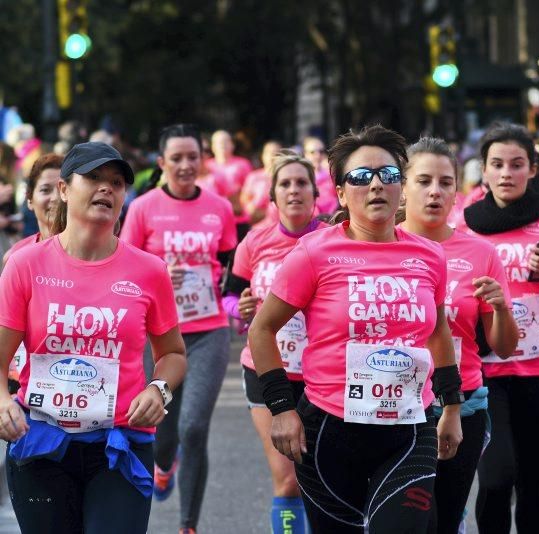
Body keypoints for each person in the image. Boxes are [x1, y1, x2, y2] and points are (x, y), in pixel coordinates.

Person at [248, 124, 463, 533]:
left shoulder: (430, 256)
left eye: (389, 175)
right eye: (361, 177)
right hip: (331, 430)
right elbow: (262, 329)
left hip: (410, 427)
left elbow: (438, 332)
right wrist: (281, 409)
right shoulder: (314, 253)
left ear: (401, 189)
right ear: (343, 194)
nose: (377, 185)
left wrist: (451, 405)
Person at [0, 142, 187, 533]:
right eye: (94, 178)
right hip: (42, 444)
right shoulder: (25, 264)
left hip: (120, 446)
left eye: (116, 182)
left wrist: (158, 390)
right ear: (65, 189)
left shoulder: (149, 271)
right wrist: (2, 401)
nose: (107, 188)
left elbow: (172, 354)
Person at [459, 122, 539, 533]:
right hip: (485, 366)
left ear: (532, 169)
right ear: (484, 171)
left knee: (531, 479)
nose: (506, 173)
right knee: (495, 477)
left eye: (516, 164)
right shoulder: (466, 221)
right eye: (497, 164)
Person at [121, 124, 237, 534]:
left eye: (193, 157)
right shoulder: (143, 208)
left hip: (208, 331)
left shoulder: (219, 208)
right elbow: (125, 268)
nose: (186, 166)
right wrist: (155, 278)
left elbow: (230, 269)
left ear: (202, 160)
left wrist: (232, 300)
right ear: (161, 163)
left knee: (194, 426)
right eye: (177, 158)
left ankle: (188, 525)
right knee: (163, 428)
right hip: (158, 334)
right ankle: (164, 464)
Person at [398, 137, 518, 534]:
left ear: (457, 192)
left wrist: (501, 307)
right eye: (424, 180)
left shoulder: (481, 253)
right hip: (395, 403)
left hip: (462, 404)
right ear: (403, 185)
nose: (435, 191)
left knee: (445, 520)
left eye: (446, 182)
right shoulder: (384, 248)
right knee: (411, 520)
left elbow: (504, 347)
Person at [224, 150, 326, 533]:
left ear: (316, 194)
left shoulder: (333, 239)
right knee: (286, 479)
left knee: (319, 479)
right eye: (285, 184)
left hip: (322, 376)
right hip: (266, 370)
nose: (294, 190)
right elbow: (231, 297)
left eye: (302, 183)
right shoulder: (254, 243)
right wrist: (240, 308)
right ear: (272, 197)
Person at [2, 154, 63, 392]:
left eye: (62, 188)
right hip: (22, 382)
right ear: (29, 199)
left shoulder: (97, 254)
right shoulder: (16, 258)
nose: (56, 198)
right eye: (46, 190)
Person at [206, 129, 254, 241]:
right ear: (212, 147)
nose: (222, 145)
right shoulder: (206, 166)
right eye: (218, 142)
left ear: (232, 145)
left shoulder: (243, 164)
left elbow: (250, 190)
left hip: (239, 219)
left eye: (226, 141)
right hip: (214, 220)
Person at [240, 140, 282, 227]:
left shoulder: (287, 178)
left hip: (280, 226)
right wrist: (250, 208)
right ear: (263, 156)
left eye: (276, 153)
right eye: (269, 153)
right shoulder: (254, 177)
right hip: (258, 226)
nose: (272, 156)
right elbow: (245, 199)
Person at [303, 136, 339, 215]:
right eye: (312, 152)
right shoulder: (299, 178)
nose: (317, 155)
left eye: (321, 151)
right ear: (305, 154)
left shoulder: (332, 175)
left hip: (331, 221)